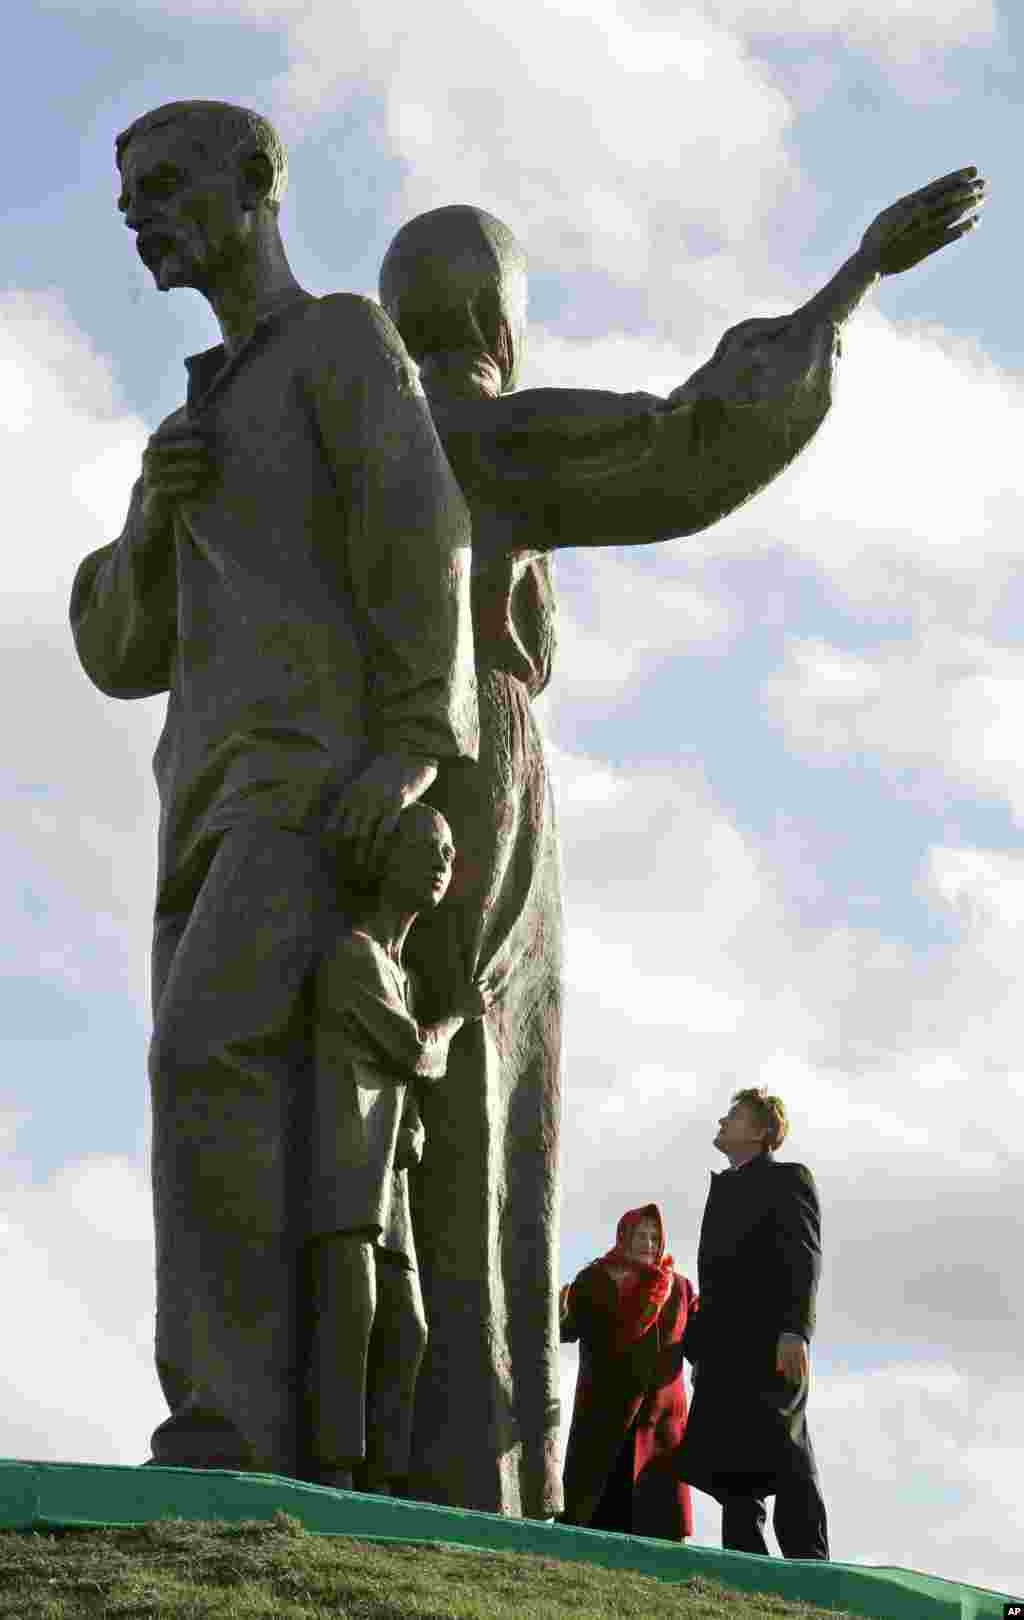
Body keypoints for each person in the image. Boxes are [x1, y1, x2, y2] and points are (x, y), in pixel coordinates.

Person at [377, 166, 985, 1516]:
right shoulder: (486, 435)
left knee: (376, 1097)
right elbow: (687, 440)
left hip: (354, 801)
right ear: (492, 319)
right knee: (486, 1085)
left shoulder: (339, 448)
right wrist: (856, 277)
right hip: (477, 770)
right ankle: (477, 1467)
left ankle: (364, 1421)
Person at [70, 101, 478, 1479]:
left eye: (166, 185)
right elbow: (121, 654)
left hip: (302, 791)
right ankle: (275, 1431)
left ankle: (228, 1427)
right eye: (126, 196)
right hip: (197, 798)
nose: (139, 213)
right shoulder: (199, 410)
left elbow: (429, 556)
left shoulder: (342, 344)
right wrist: (148, 513)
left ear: (256, 185)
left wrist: (410, 751)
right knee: (214, 1090)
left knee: (204, 1060)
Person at [307, 804, 512, 1494]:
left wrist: (413, 1124)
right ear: (385, 860)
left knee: (408, 1332)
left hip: (385, 1184)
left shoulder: (405, 978)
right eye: (425, 848)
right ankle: (334, 1473)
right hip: (343, 1173)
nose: (440, 863)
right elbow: (414, 1052)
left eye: (448, 853)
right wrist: (459, 1018)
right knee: (349, 1325)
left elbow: (402, 1077)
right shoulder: (354, 956)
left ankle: (384, 1482)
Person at [674, 1089, 828, 1559]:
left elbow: (804, 1260)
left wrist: (795, 1331)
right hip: (725, 1355)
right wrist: (699, 1351)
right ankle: (744, 1566)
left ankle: (812, 1566)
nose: (721, 1120)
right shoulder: (723, 1191)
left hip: (772, 1345)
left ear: (760, 1132)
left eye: (734, 1115)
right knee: (734, 1462)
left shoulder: (789, 1180)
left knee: (788, 1453)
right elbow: (714, 1280)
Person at [559, 1205, 697, 1540]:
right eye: (641, 1236)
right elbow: (566, 1329)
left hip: (660, 1419)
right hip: (605, 1412)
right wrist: (556, 1306)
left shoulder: (679, 1288)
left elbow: (698, 1341)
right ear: (624, 1237)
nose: (649, 1244)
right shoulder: (594, 1280)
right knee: (597, 1508)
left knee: (659, 1511)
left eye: (655, 1237)